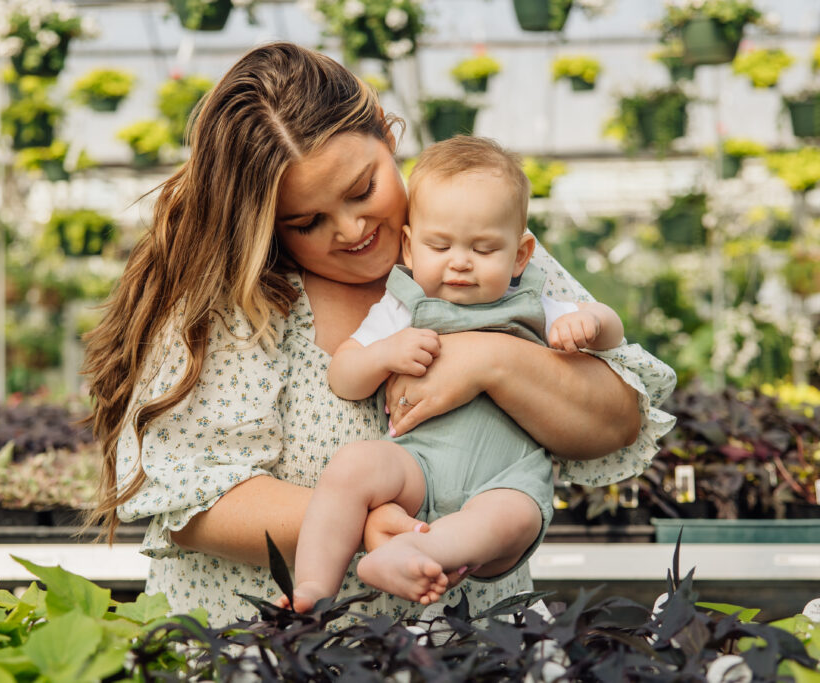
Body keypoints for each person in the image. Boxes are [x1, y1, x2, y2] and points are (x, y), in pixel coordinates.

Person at [81, 42, 677, 625]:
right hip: (278, 654)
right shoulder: (237, 302)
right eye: (307, 220)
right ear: (263, 221)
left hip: (465, 651)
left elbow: (617, 417)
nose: (351, 229)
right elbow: (196, 499)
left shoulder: (473, 242)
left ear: (389, 140)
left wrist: (489, 359)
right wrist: (359, 523)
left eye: (363, 188)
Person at [284, 136, 626, 612]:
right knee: (352, 468)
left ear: (521, 255)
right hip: (418, 464)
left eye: (484, 249)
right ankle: (312, 588)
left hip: (507, 476)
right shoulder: (403, 305)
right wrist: (385, 353)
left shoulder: (531, 300)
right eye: (439, 245)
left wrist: (590, 322)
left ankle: (417, 551)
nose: (460, 262)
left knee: (511, 519)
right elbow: (343, 374)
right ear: (409, 246)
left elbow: (613, 338)